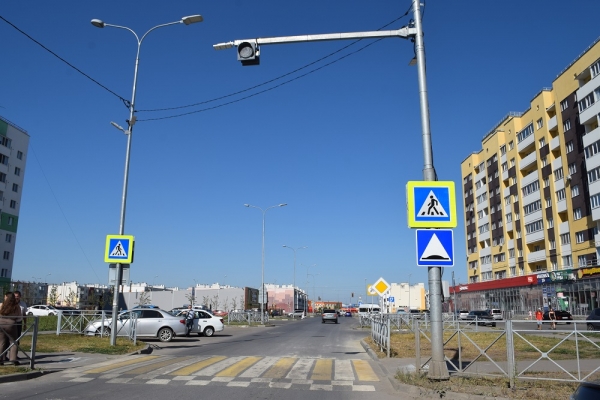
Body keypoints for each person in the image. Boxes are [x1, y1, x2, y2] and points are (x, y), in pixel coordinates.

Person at [0, 292, 22, 365]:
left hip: (1, 323)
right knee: (13, 342)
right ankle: (13, 359)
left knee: (1, 342)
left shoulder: (1, 305)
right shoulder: (16, 306)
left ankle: (1, 359)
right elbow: (19, 318)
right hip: (11, 323)